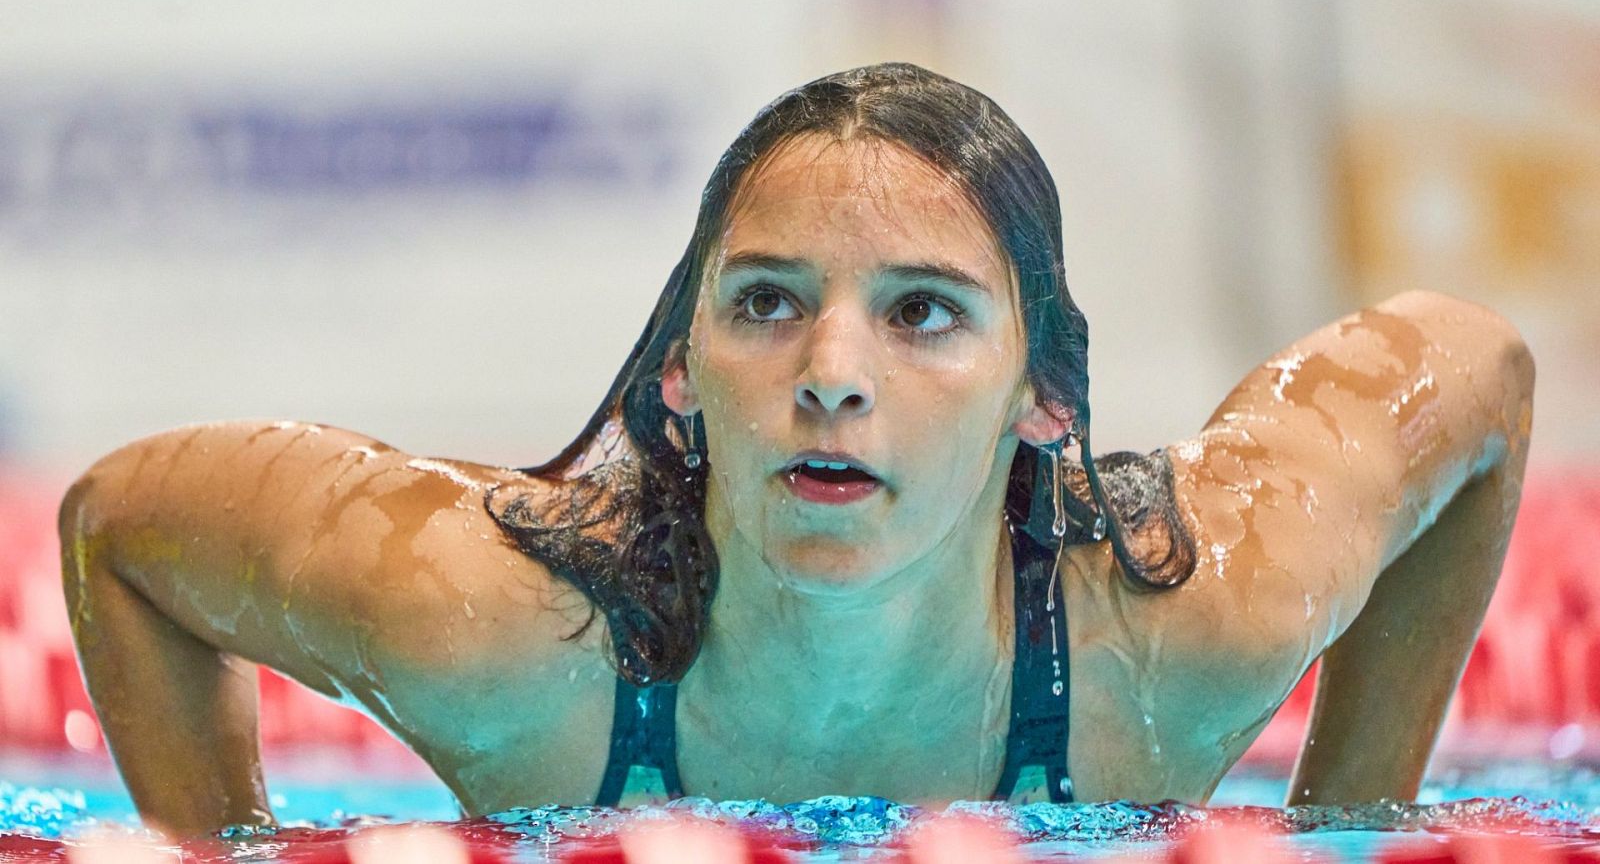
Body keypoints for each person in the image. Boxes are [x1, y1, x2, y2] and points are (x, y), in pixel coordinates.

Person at [58, 63, 1535, 837]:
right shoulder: (508, 642)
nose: (833, 375)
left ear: (1045, 398)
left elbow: (1477, 370)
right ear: (684, 371)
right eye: (767, 304)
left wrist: (1355, 822)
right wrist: (225, 850)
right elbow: (125, 522)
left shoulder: (1183, 634)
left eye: (924, 316)